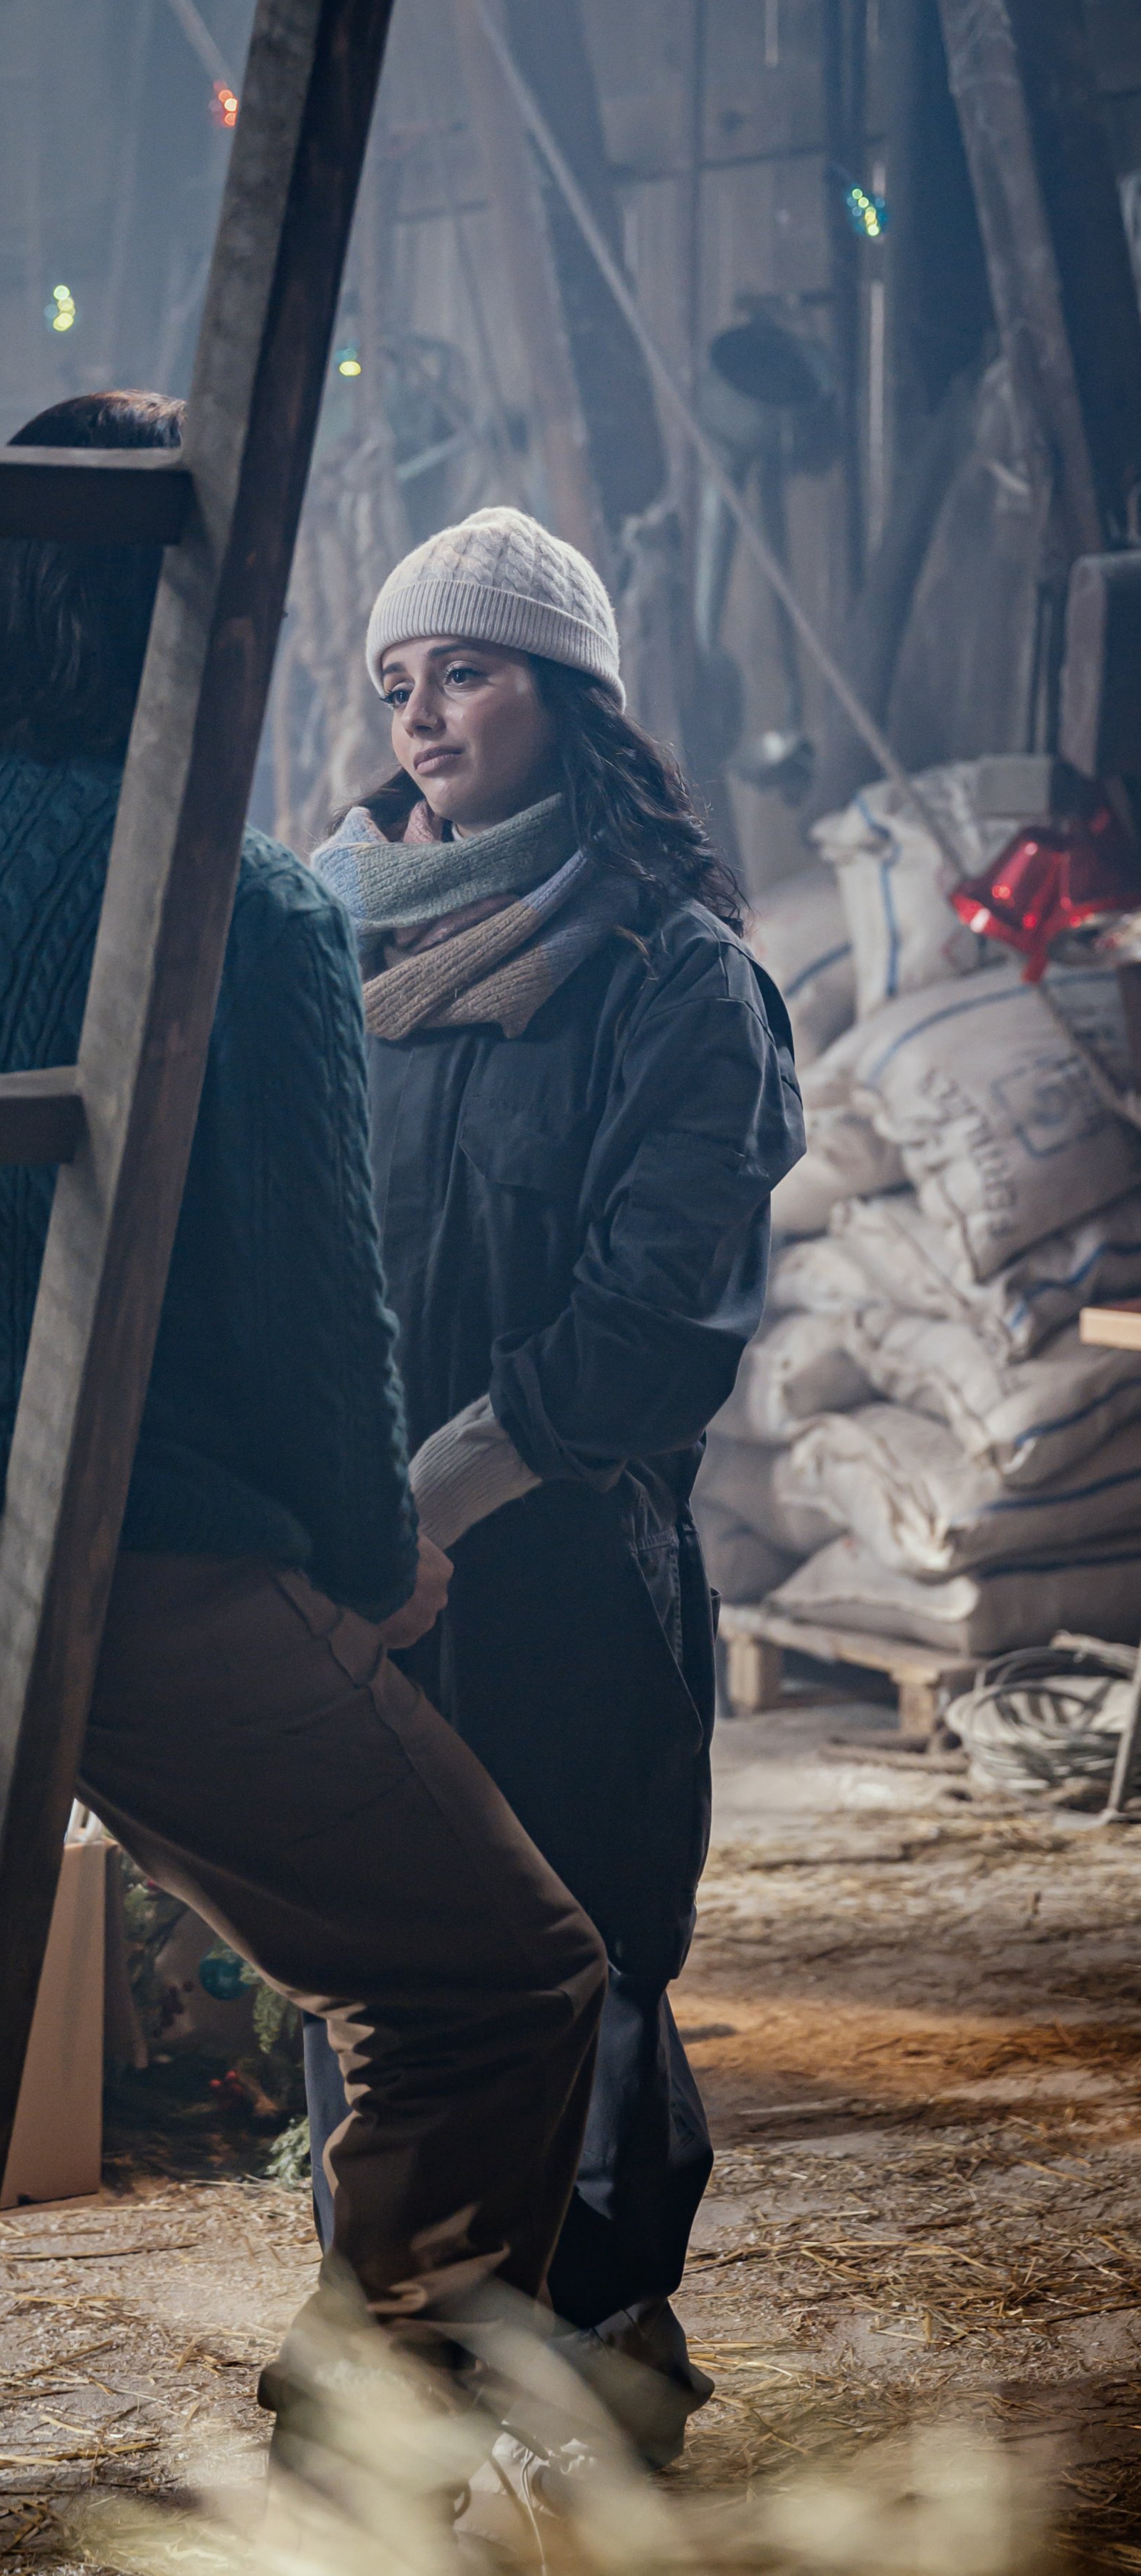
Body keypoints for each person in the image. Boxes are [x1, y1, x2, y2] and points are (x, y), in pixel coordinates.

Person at [0, 409, 608, 2576]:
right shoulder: (236, 901)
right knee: (491, 1978)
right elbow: (311, 1314)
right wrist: (367, 1560)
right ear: (195, 611)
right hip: (97, 1544)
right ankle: (362, 2486)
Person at [303, 507, 804, 2464]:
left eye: (469, 671)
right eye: (397, 684)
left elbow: (655, 1324)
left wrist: (437, 1498)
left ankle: (601, 2363)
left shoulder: (676, 979)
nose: (423, 716)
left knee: (580, 1956)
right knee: (379, 1977)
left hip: (560, 1564)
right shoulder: (321, 946)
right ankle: (404, 2371)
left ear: (571, 696)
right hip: (353, 1563)